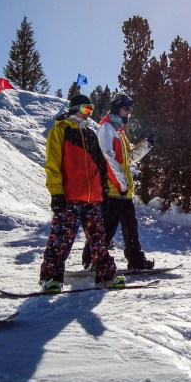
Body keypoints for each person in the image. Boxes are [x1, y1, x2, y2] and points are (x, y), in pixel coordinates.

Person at [39, 94, 121, 293]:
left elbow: (101, 167)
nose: (88, 114)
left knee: (99, 239)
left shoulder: (90, 135)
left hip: (92, 199)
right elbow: (53, 165)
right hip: (69, 197)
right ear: (74, 108)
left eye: (91, 110)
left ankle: (106, 274)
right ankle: (50, 277)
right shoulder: (61, 130)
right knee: (61, 240)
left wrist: (104, 193)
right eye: (85, 109)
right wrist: (56, 193)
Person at [81, 92, 155, 271]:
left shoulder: (120, 133)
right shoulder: (106, 128)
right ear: (116, 108)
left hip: (124, 191)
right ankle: (91, 260)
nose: (129, 112)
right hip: (112, 190)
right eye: (126, 108)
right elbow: (107, 157)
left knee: (132, 231)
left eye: (130, 109)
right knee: (106, 229)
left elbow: (128, 158)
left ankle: (136, 262)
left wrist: (146, 146)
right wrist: (121, 183)